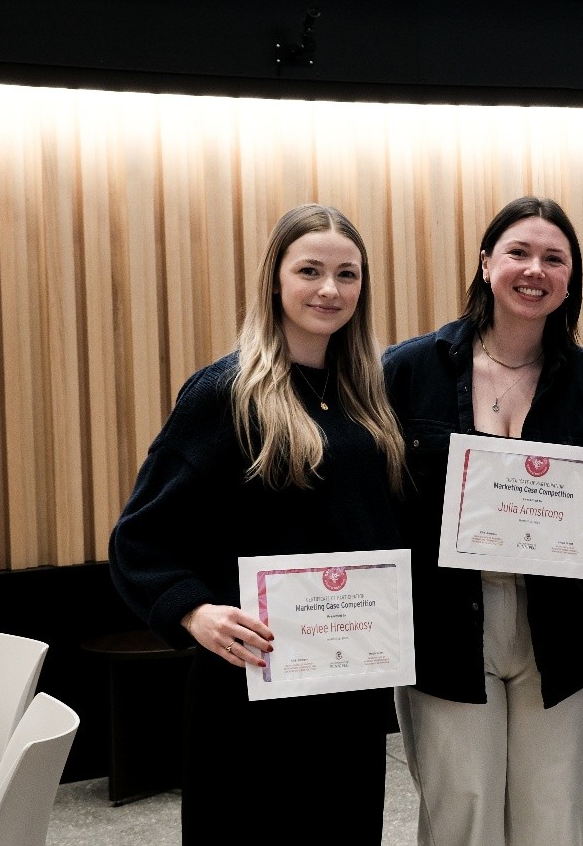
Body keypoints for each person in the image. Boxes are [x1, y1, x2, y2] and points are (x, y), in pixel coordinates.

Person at [108, 203, 407, 846]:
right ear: (274, 280)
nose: (330, 290)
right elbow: (140, 537)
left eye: (347, 275)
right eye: (310, 271)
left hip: (346, 685)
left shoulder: (366, 399)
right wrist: (192, 613)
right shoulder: (224, 393)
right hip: (250, 684)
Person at [382, 196, 583, 846]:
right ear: (485, 263)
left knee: (554, 817)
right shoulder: (408, 371)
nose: (535, 269)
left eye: (554, 258)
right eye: (519, 253)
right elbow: (374, 494)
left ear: (570, 278)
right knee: (461, 813)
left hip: (558, 625)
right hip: (444, 624)